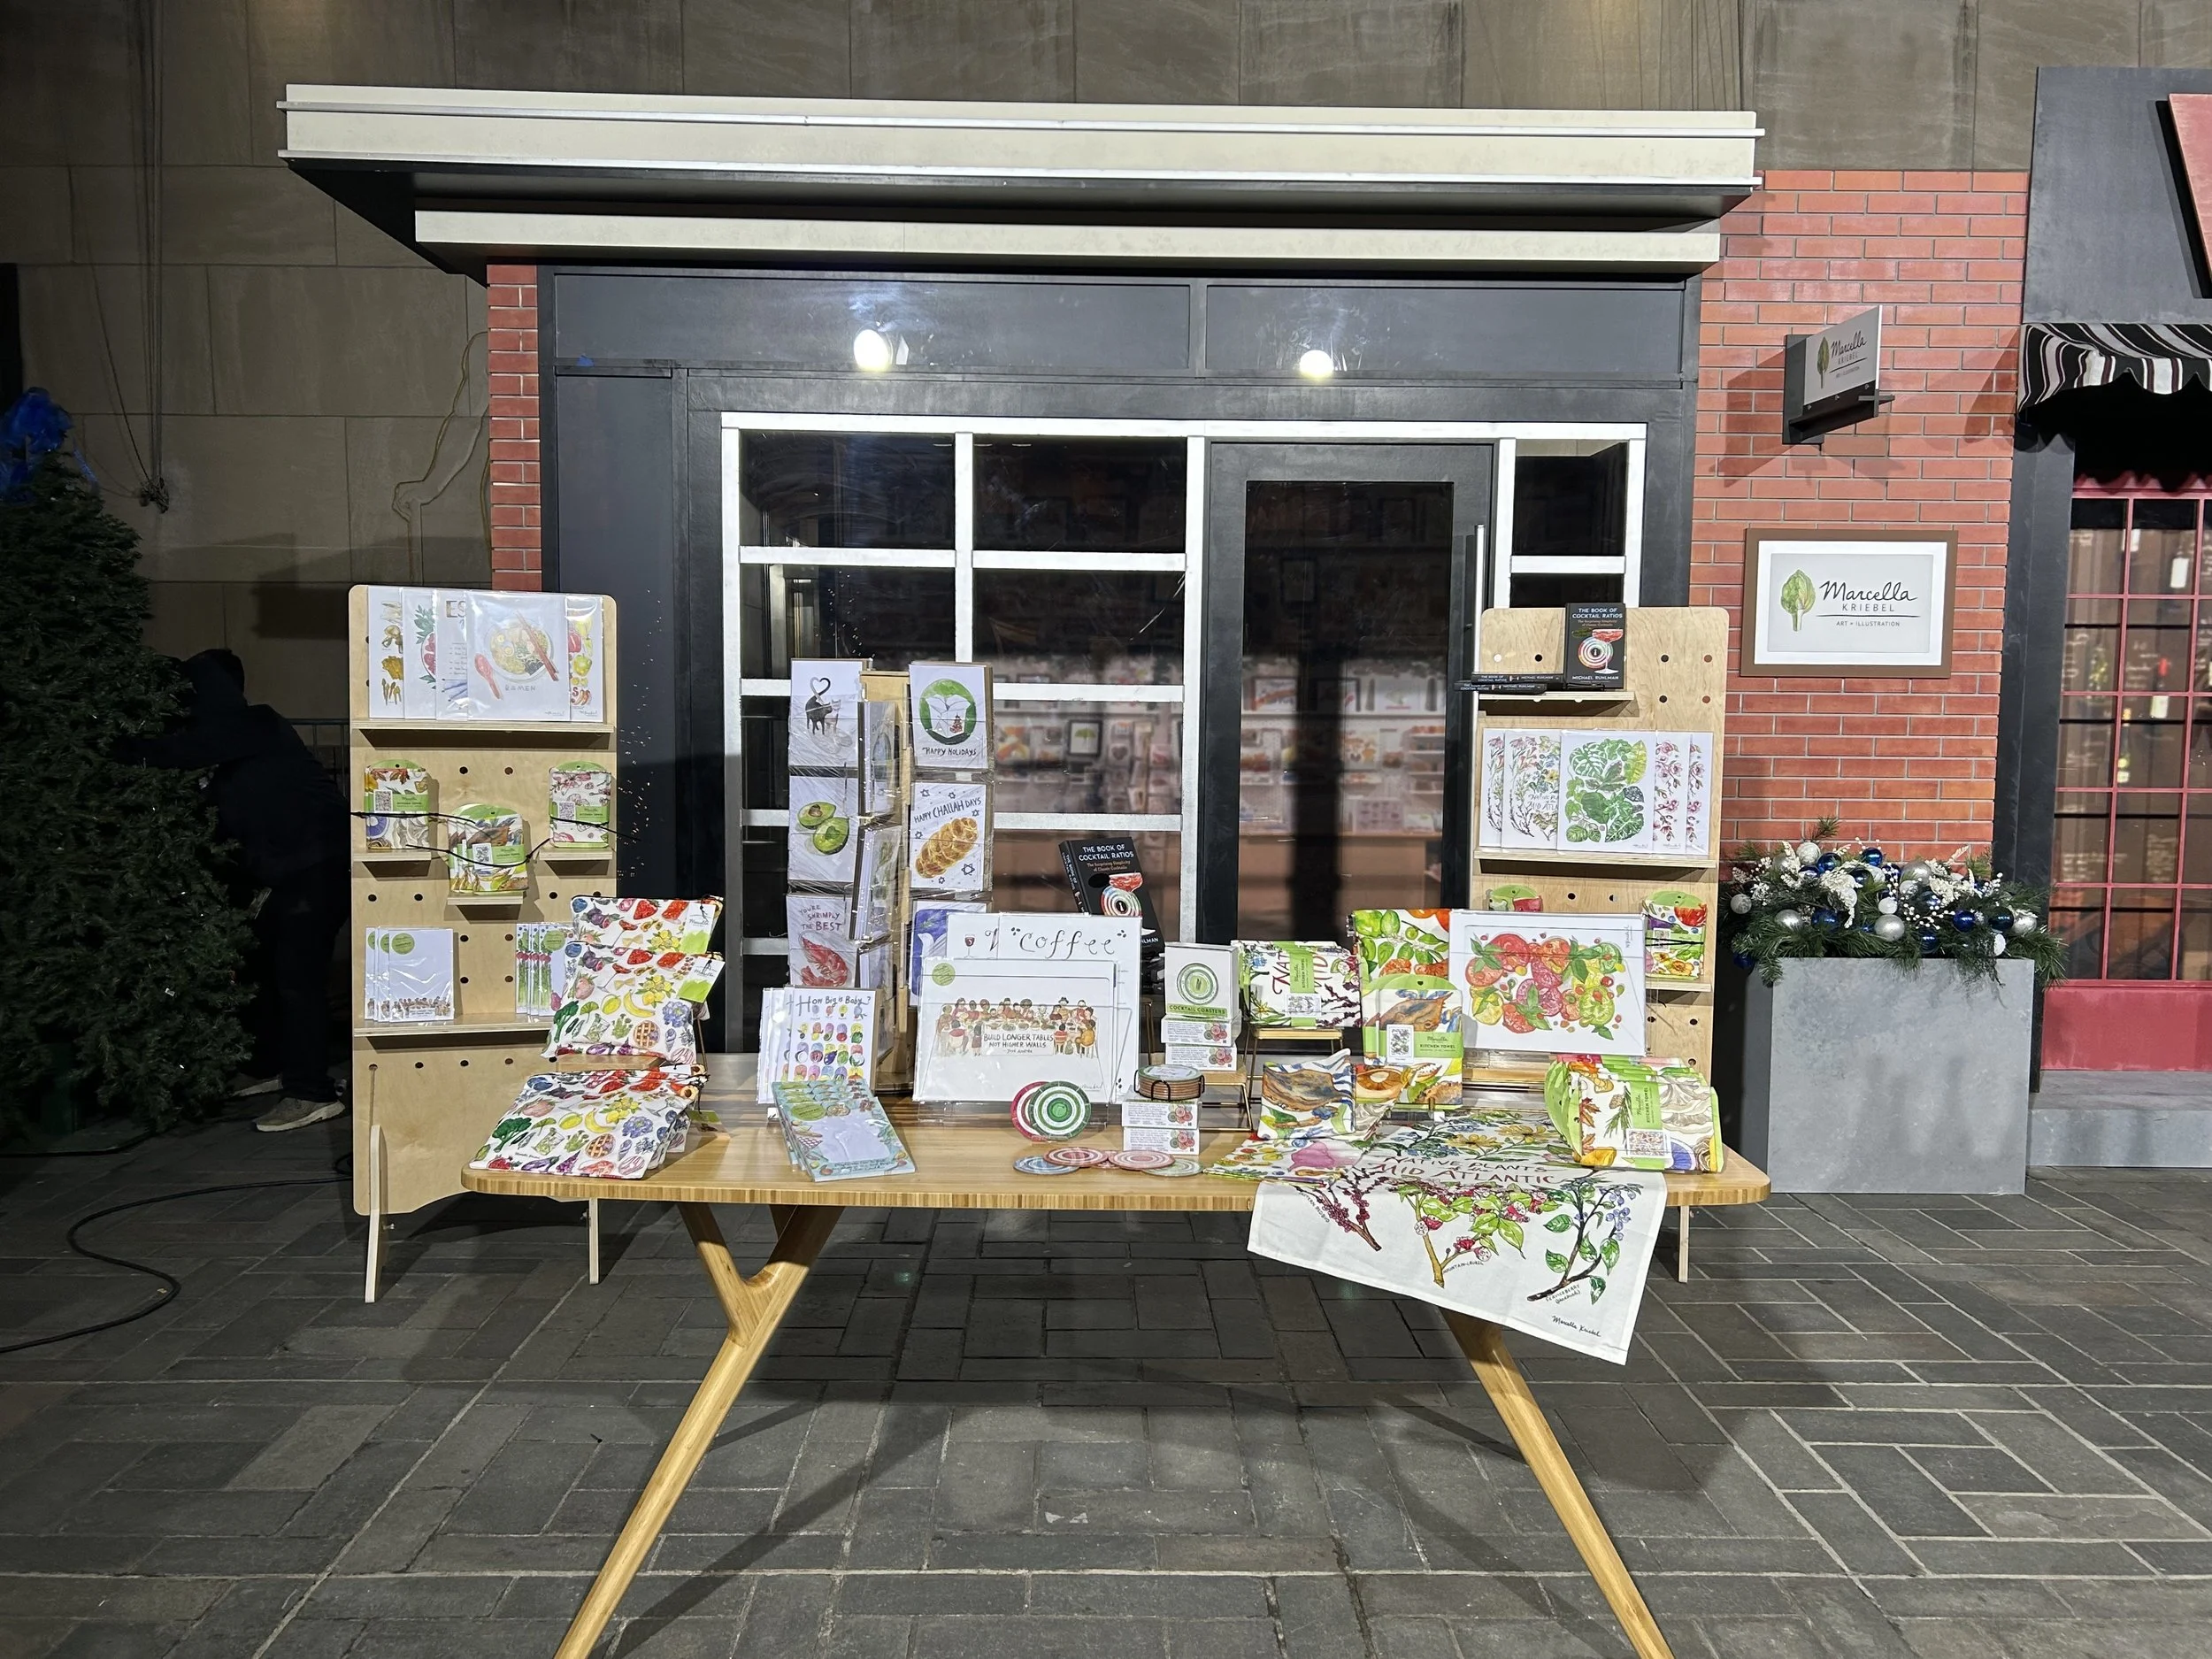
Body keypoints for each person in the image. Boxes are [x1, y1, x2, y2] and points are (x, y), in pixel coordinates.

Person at [135, 649, 350, 1131]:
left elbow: (175, 753)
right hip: (290, 873)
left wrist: (118, 746)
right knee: (263, 965)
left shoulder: (255, 726)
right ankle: (271, 1065)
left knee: (297, 976)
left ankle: (311, 1091)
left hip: (319, 865)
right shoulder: (230, 746)